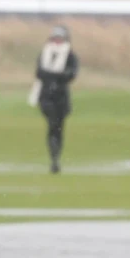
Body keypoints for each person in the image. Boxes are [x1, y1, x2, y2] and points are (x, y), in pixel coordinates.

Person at [28, 26, 79, 174]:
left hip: (61, 98)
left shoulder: (70, 55)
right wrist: (57, 75)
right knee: (52, 125)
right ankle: (54, 157)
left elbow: (70, 75)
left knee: (59, 128)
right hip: (46, 97)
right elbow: (39, 73)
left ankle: (56, 157)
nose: (57, 41)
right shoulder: (44, 53)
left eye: (59, 38)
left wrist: (53, 75)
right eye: (55, 38)